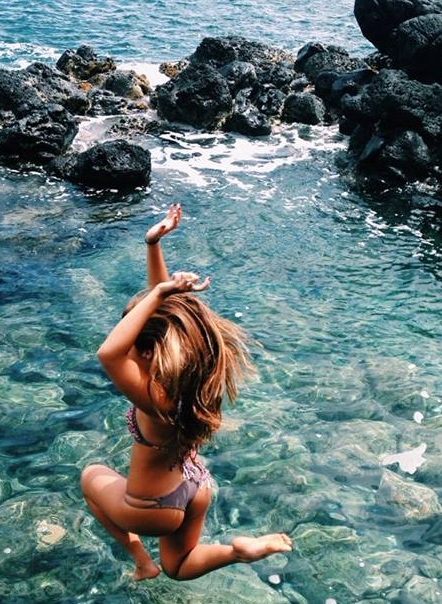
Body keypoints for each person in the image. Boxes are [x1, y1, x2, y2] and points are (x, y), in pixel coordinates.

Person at [81, 204, 292, 581]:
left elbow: (108, 352)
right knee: (178, 566)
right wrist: (153, 247)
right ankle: (235, 551)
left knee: (90, 476)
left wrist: (160, 290)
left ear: (146, 349)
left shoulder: (152, 396)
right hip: (194, 487)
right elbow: (166, 313)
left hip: (151, 508)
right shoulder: (193, 380)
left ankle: (142, 561)